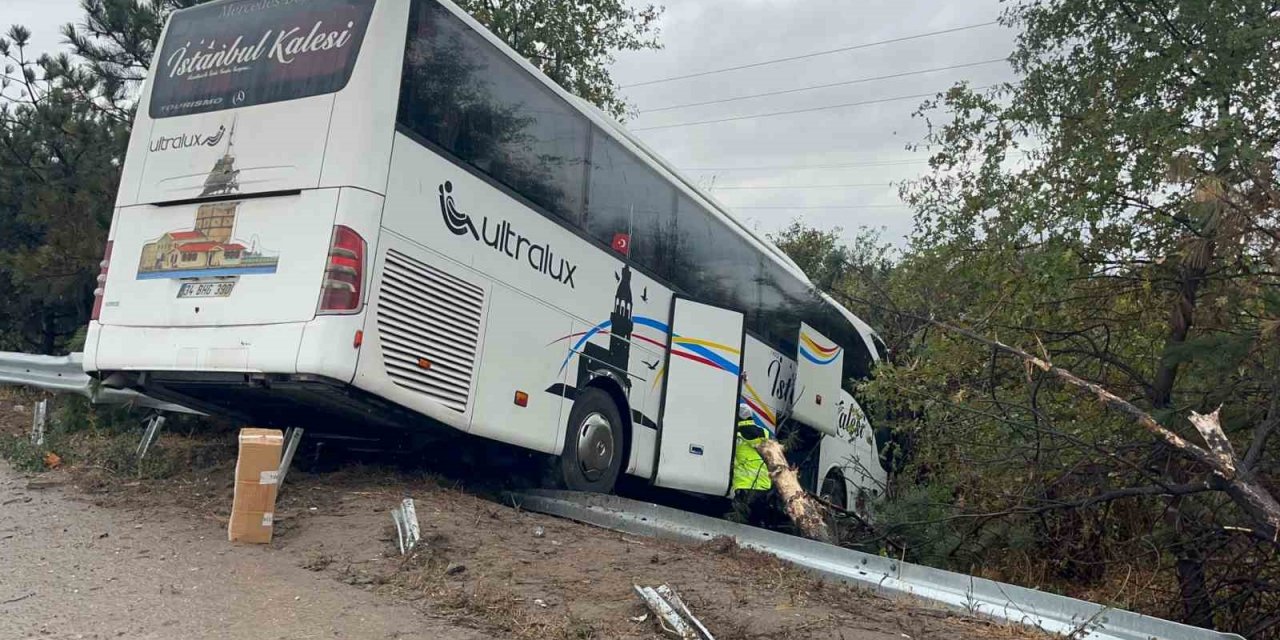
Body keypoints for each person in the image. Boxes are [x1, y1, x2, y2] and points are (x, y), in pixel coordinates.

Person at [731, 403, 774, 525]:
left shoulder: (736, 432)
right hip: (763, 484)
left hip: (744, 484)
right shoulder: (764, 432)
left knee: (741, 522)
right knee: (756, 522)